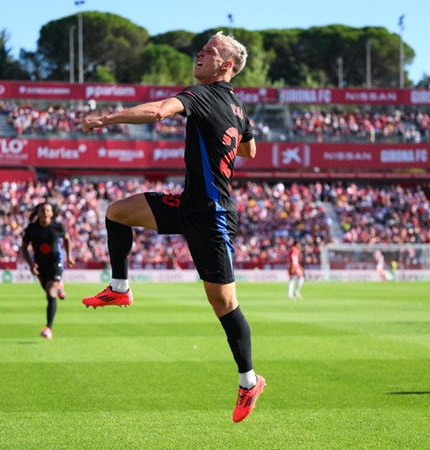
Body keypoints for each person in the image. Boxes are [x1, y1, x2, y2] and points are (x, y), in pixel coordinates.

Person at [81, 31, 265, 423]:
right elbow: (250, 148)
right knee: (117, 212)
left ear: (226, 65)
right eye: (201, 49)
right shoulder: (237, 107)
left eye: (210, 51)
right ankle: (120, 288)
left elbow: (157, 112)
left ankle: (249, 381)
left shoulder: (203, 96)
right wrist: (230, 140)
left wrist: (107, 118)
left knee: (224, 303)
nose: (200, 54)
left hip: (213, 216)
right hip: (189, 205)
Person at [21, 202, 75, 340]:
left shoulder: (58, 227)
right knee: (49, 292)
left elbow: (67, 239)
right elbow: (24, 247)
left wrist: (69, 256)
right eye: (42, 210)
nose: (45, 212)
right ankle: (59, 287)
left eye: (48, 210)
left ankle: (48, 328)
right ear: (38, 213)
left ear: (52, 213)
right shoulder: (31, 229)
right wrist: (30, 264)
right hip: (40, 265)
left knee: (50, 293)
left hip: (55, 263)